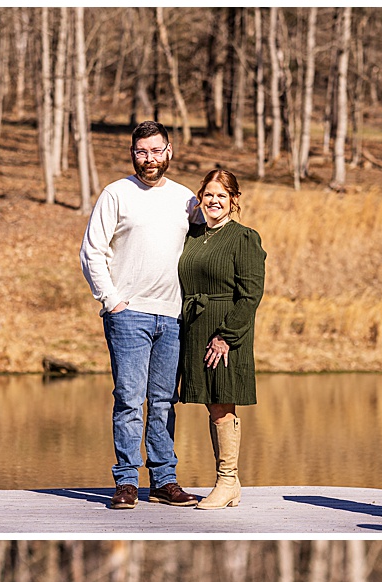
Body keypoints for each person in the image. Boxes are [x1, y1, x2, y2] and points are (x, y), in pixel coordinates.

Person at [79, 121, 199, 511]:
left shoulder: (186, 200)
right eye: (141, 152)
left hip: (173, 316)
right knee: (129, 400)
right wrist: (111, 300)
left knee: (164, 401)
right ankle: (127, 482)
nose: (148, 159)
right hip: (129, 315)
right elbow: (92, 251)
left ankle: (164, 481)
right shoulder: (116, 193)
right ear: (133, 154)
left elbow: (206, 246)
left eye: (155, 150)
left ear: (169, 151)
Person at [178, 168, 266, 510]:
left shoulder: (244, 238)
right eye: (209, 194)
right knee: (210, 402)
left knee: (221, 405)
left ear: (234, 201)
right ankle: (231, 483)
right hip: (195, 327)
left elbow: (250, 295)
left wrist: (226, 337)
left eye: (221, 196)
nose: (214, 201)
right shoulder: (194, 236)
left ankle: (227, 480)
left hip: (225, 331)